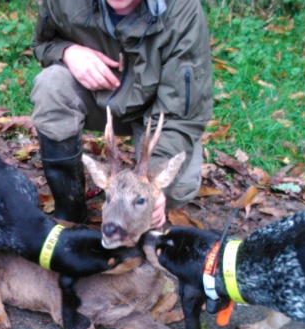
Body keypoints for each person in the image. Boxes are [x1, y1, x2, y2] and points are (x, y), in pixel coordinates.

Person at [31, 0, 213, 227]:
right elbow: (43, 43)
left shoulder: (181, 8)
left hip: (157, 111)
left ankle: (137, 221)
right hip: (99, 98)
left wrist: (152, 190)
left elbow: (181, 113)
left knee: (177, 186)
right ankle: (70, 210)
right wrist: (67, 51)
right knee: (50, 85)